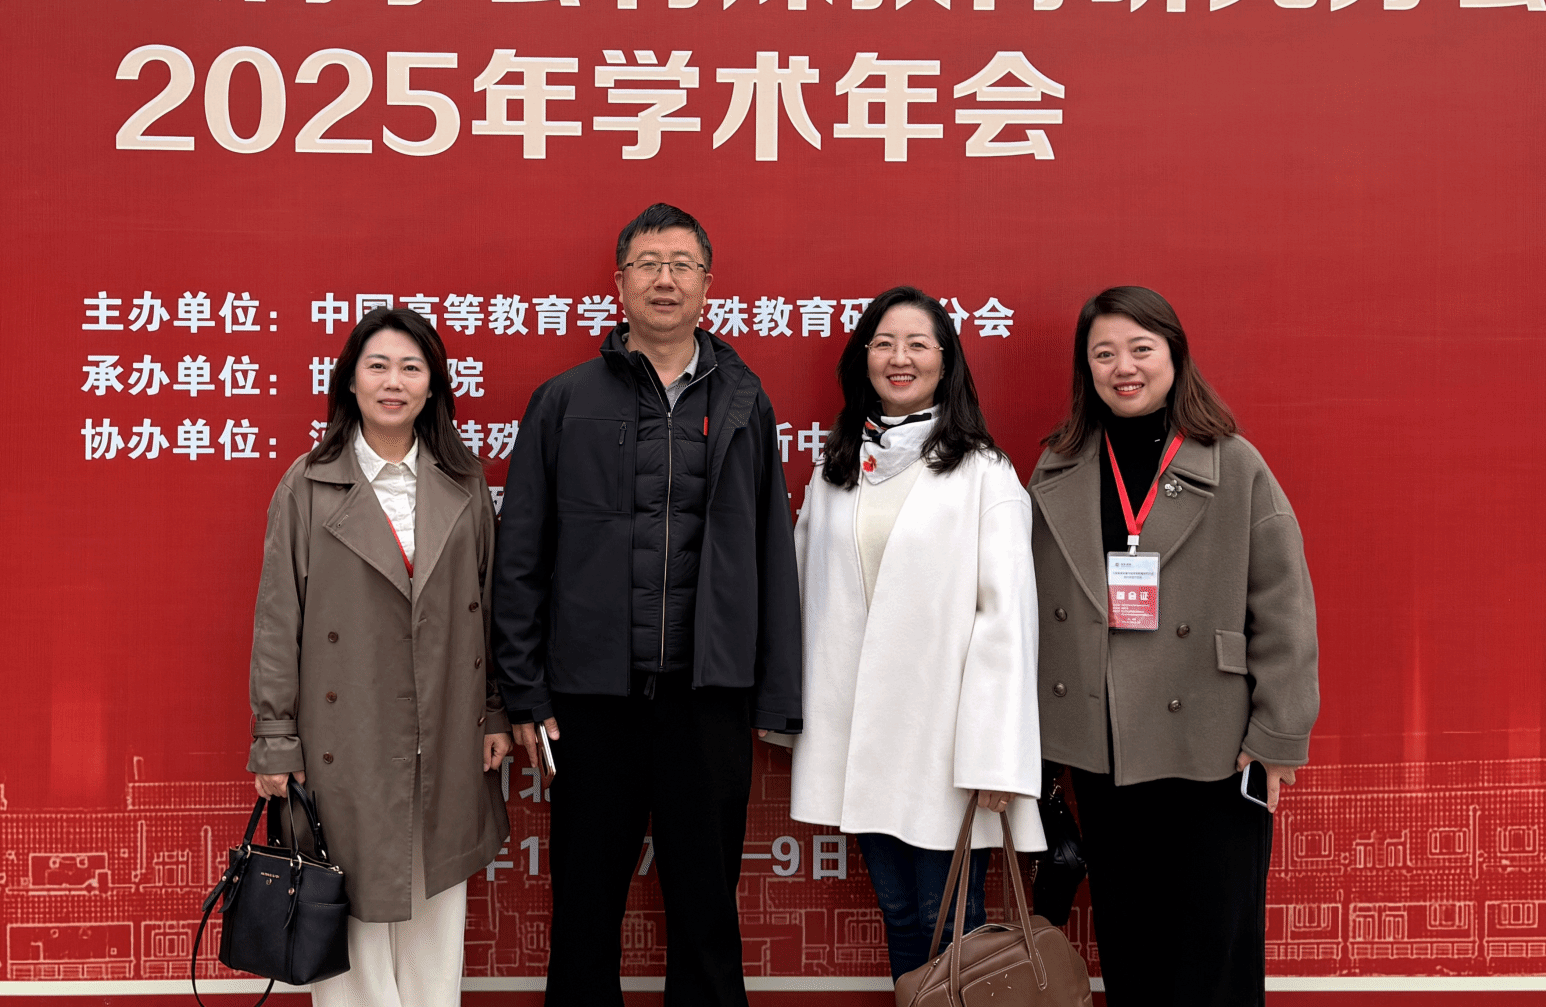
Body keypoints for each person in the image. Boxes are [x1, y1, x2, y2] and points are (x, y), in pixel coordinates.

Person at [491, 203, 801, 1007]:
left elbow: (771, 550)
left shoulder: (744, 399)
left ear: (708, 283)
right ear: (620, 280)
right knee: (584, 909)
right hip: (592, 701)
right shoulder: (564, 400)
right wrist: (523, 690)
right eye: (649, 263)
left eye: (682, 264)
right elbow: (521, 555)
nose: (666, 279)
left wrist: (775, 691)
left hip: (708, 698)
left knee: (707, 911)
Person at [1029, 286, 1319, 1006]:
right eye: (1103, 354)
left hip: (1214, 748)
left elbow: (1283, 605)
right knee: (1133, 947)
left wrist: (1277, 738)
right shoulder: (1058, 468)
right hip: (1105, 751)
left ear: (1175, 355)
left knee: (1215, 953)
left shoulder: (1233, 463)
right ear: (1086, 369)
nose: (1123, 367)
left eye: (1140, 349)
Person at [247, 306, 513, 1007]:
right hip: (347, 732)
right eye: (378, 366)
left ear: (433, 385)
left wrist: (493, 711)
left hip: (444, 724)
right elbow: (278, 619)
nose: (394, 382)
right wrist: (275, 737)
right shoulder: (307, 483)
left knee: (436, 905)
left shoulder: (463, 481)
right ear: (350, 380)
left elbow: (489, 606)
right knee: (349, 904)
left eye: (411, 367)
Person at [787, 286, 1044, 981]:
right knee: (901, 916)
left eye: (917, 344)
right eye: (883, 343)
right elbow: (807, 596)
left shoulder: (984, 472)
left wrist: (997, 759)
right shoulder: (838, 468)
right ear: (863, 359)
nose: (899, 358)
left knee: (950, 922)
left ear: (945, 361)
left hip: (947, 746)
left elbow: (1007, 622)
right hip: (861, 740)